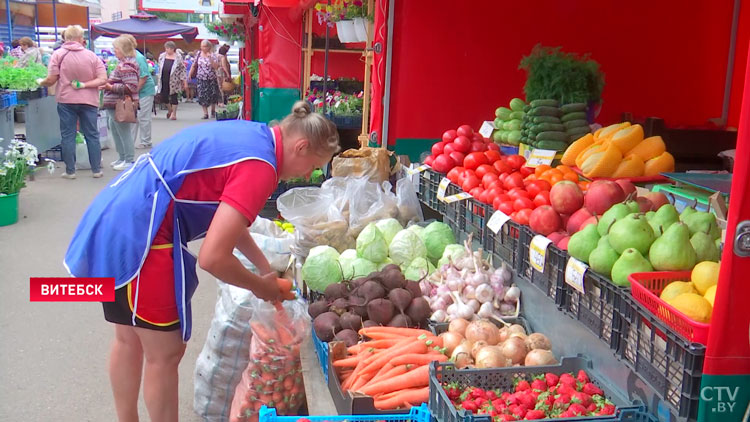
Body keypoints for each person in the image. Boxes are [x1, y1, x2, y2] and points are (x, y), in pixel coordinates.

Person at [64, 101, 339, 422]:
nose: (308, 175)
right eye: (313, 166)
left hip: (117, 214)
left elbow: (228, 224)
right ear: (301, 146)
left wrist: (265, 270)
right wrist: (260, 286)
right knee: (164, 355)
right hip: (145, 234)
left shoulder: (255, 135)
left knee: (127, 339)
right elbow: (213, 257)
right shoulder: (262, 167)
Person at [38, 25, 107, 179]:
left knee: (68, 135)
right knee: (92, 135)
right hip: (89, 101)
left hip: (66, 100)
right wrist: (85, 85)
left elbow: (51, 80)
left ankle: (70, 171)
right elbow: (103, 78)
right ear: (81, 38)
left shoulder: (57, 55)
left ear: (65, 38)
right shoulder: (92, 56)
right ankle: (96, 170)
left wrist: (41, 82)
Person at [102, 35, 140, 171]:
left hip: (120, 104)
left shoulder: (127, 66)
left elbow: (131, 87)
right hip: (115, 103)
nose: (114, 51)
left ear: (123, 49)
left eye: (116, 48)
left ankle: (129, 159)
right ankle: (122, 157)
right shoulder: (124, 63)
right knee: (116, 130)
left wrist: (110, 87)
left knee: (123, 132)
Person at [121, 35, 156, 149]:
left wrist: (134, 91)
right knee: (132, 117)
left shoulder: (139, 58)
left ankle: (146, 141)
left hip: (145, 90)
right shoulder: (127, 57)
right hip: (135, 90)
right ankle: (131, 141)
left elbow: (144, 76)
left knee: (143, 117)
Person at [190, 40, 221, 119]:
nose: (202, 48)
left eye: (204, 46)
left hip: (211, 78)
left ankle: (213, 111)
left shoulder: (213, 55)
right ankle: (205, 113)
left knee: (213, 95)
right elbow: (194, 65)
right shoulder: (198, 54)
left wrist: (210, 59)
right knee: (202, 95)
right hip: (201, 77)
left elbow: (216, 67)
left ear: (209, 47)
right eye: (202, 46)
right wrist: (190, 74)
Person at [157, 41, 187, 121]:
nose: (167, 50)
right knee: (164, 96)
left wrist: (184, 81)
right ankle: (170, 109)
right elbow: (159, 67)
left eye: (169, 48)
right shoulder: (162, 56)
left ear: (173, 49)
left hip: (174, 80)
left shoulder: (178, 57)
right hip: (163, 78)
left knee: (174, 96)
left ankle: (174, 114)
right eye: (166, 48)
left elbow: (182, 69)